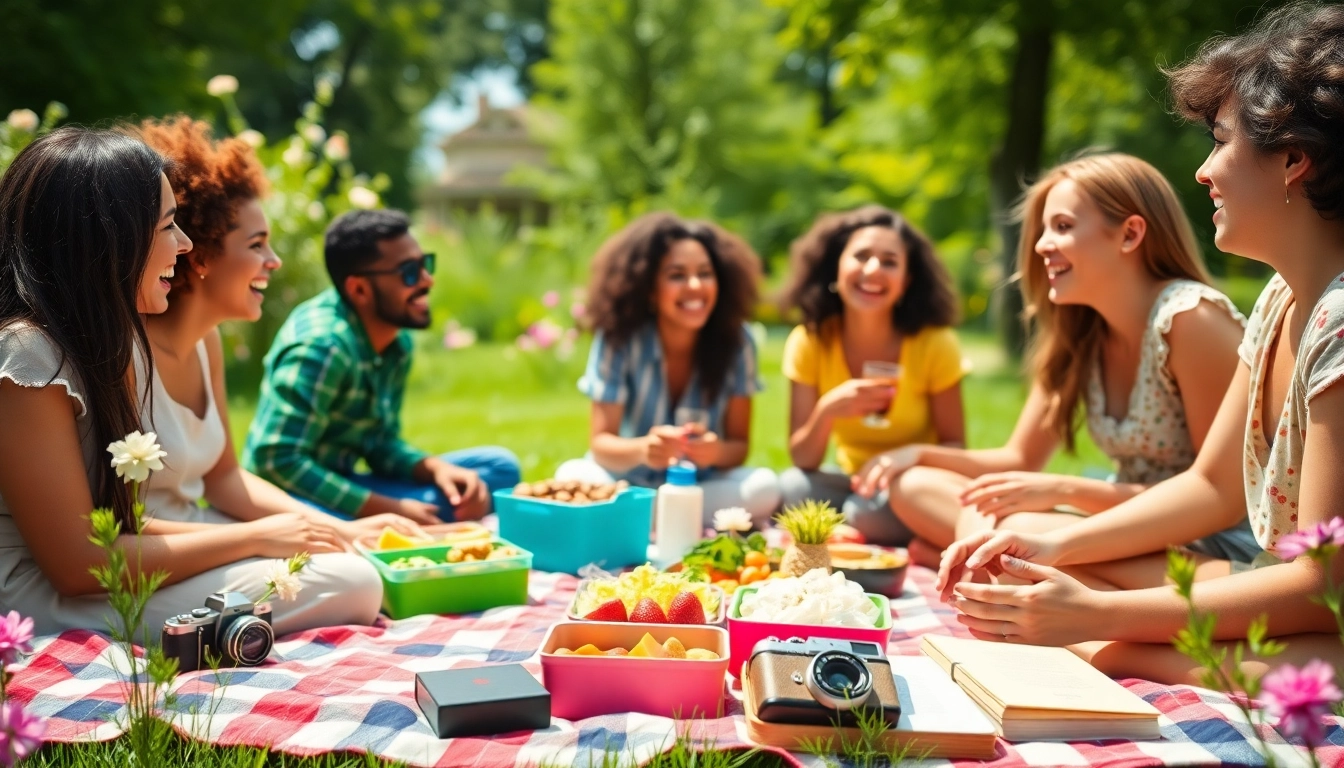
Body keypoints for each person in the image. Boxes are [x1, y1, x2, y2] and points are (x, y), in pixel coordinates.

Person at [937, 2, 1344, 685]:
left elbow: (1322, 582)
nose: (1204, 171)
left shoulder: (1333, 319)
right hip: (1268, 589)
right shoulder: (1279, 301)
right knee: (1077, 616)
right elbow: (1211, 487)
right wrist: (1054, 541)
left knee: (1112, 651)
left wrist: (1097, 614)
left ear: (1294, 160)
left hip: (1313, 614)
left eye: (1221, 141)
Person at [0, 128, 374, 637]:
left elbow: (133, 516)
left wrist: (297, 532)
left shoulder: (95, 338)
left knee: (344, 564)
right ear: (110, 238)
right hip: (42, 598)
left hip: (112, 572)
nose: (184, 243)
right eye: (168, 227)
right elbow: (76, 563)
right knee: (348, 581)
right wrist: (255, 538)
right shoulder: (28, 355)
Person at [869, 155, 1253, 569]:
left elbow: (1220, 499)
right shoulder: (1082, 334)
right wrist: (916, 455)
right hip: (1120, 520)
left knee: (1017, 531)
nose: (1040, 245)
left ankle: (979, 562)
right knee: (916, 486)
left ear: (1129, 234)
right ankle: (987, 562)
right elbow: (1017, 460)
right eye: (1044, 229)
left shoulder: (1191, 320)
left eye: (1063, 227)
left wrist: (1065, 491)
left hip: (1206, 542)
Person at [134, 117, 427, 628]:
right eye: (256, 245)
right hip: (153, 556)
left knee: (354, 558)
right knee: (357, 581)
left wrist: (340, 528)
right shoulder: (124, 353)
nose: (274, 261)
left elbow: (225, 478)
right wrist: (266, 537)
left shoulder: (207, 343)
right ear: (198, 255)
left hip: (203, 530)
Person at [244, 209, 520, 524]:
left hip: (347, 482)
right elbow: (275, 461)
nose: (428, 280)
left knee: (498, 469)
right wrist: (387, 509)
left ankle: (413, 520)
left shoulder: (394, 342)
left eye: (425, 264)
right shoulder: (322, 348)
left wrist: (435, 469)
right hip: (289, 499)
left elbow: (379, 443)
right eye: (409, 272)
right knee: (441, 505)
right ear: (359, 290)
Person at [555, 212, 781, 528]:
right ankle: (665, 518)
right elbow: (601, 444)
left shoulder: (737, 342)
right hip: (625, 483)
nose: (695, 286)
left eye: (705, 273)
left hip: (696, 488)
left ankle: (642, 520)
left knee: (764, 486)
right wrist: (643, 449)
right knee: (572, 474)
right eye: (677, 275)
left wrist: (714, 452)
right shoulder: (619, 338)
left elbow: (738, 447)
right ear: (649, 288)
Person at [777, 206, 965, 546]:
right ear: (837, 267)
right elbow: (803, 459)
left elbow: (957, 446)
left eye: (890, 261)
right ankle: (857, 530)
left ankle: (853, 529)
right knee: (792, 488)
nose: (873, 269)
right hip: (850, 480)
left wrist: (906, 458)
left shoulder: (935, 343)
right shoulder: (810, 340)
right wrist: (827, 411)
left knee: (868, 514)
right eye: (861, 256)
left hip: (910, 485)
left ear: (906, 282)